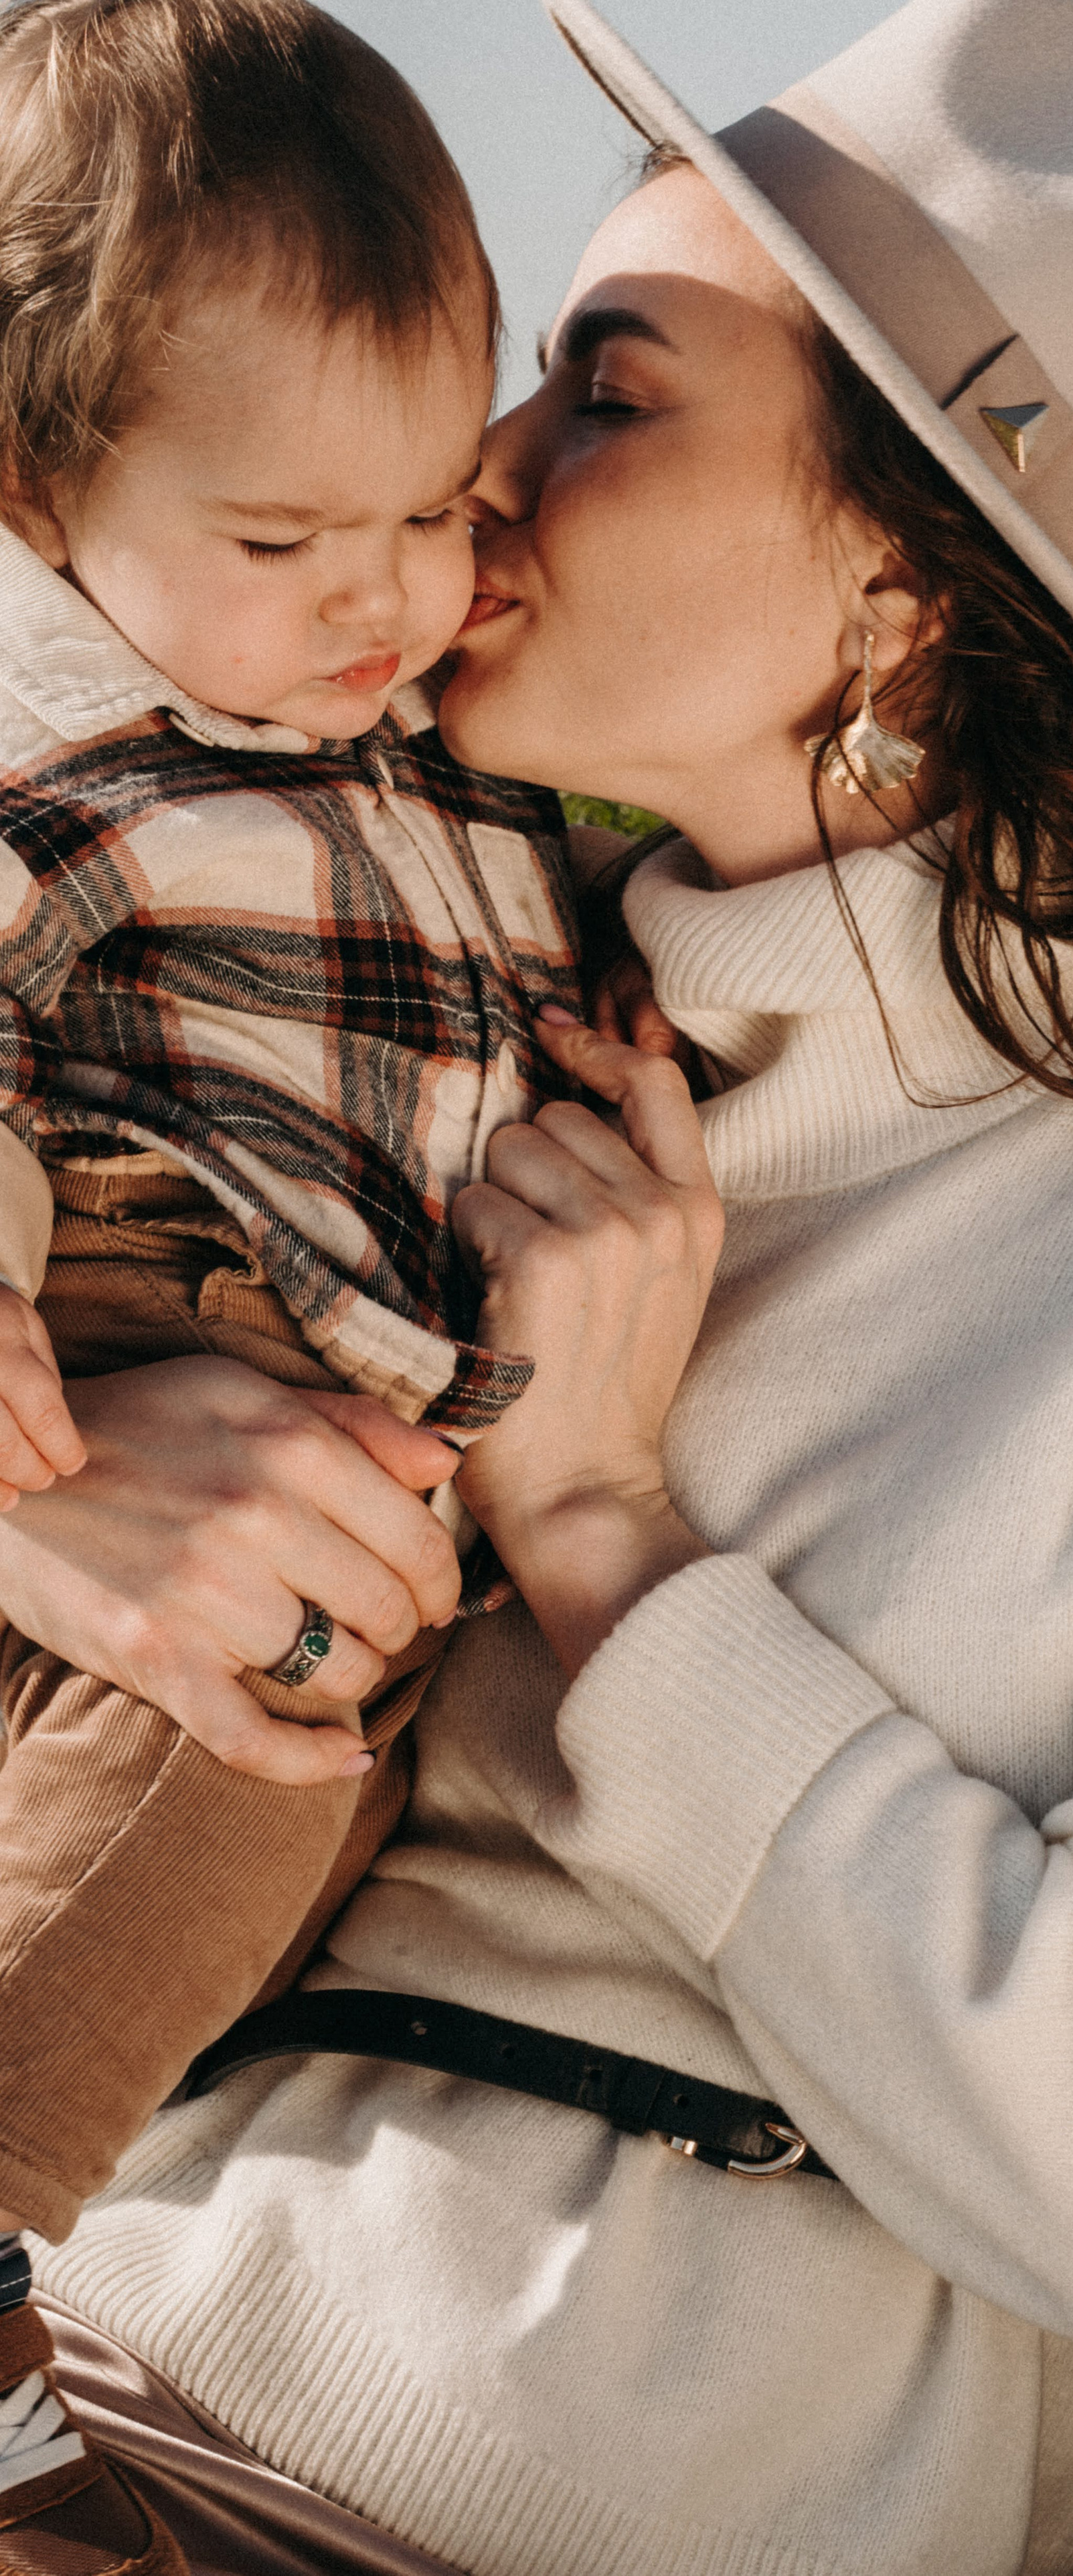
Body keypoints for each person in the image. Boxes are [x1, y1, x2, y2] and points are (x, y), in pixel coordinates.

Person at [0, 1, 1073, 2570]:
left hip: (468, 2508)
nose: (478, 477)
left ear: (915, 583)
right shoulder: (436, 973)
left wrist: (609, 1541)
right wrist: (53, 1467)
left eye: (609, 393)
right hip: (81, 2323)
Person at [0, 4, 591, 2559]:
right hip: (146, 1315)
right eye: (281, 545)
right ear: (41, 492)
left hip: (323, 1421)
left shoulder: (408, 707)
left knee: (246, 1832)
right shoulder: (62, 736)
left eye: (439, 508)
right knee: (222, 1774)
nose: (386, 596)